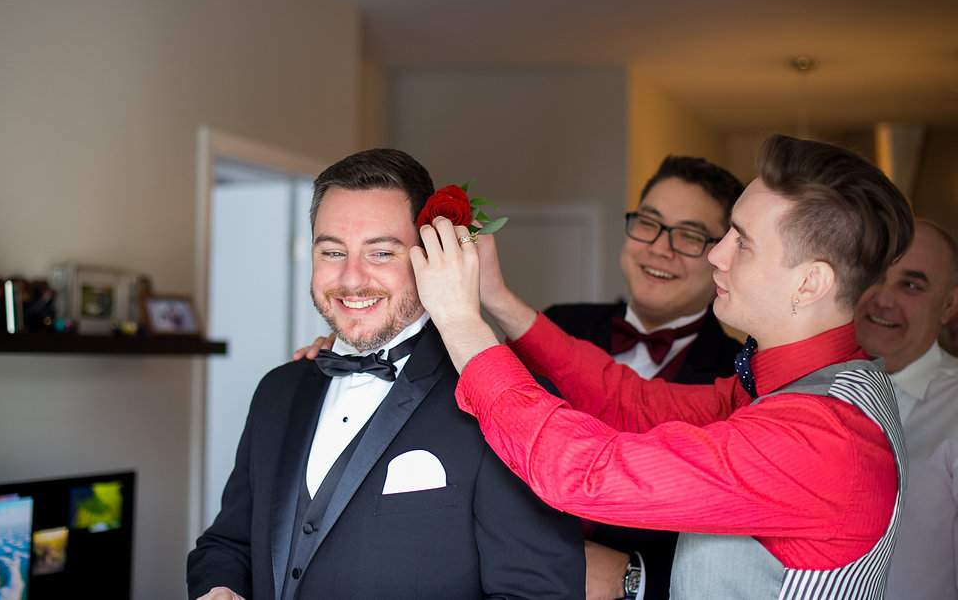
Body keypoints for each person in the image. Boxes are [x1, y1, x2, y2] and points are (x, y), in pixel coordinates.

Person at [411, 134, 913, 599]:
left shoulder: (823, 439)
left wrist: (459, 321)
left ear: (809, 284)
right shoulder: (802, 385)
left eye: (742, 242)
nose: (716, 255)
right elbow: (632, 402)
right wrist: (496, 299)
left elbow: (583, 472)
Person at [186, 149, 585, 600]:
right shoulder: (276, 391)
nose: (351, 279)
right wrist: (219, 587)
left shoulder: (512, 407)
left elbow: (539, 593)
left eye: (381, 252)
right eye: (332, 251)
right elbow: (227, 544)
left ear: (432, 258)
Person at [546, 155, 744, 600]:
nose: (659, 247)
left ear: (724, 257)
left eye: (690, 236)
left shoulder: (739, 378)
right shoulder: (556, 326)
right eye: (648, 223)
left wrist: (634, 576)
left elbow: (733, 541)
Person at [854, 219, 958, 600]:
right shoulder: (803, 385)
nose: (883, 298)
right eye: (874, 275)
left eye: (910, 285)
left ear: (949, 304)